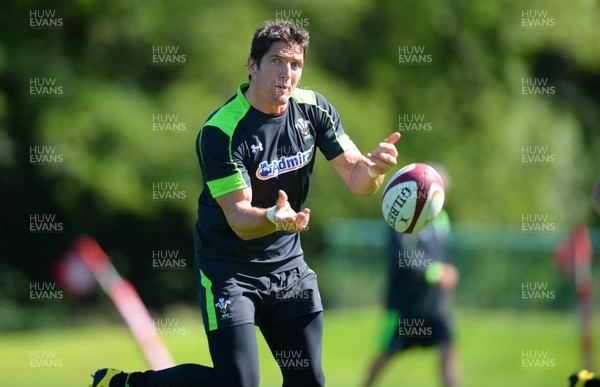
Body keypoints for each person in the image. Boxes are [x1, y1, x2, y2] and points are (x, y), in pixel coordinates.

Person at [91, 20, 400, 387]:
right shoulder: (221, 131)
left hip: (288, 268)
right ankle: (125, 384)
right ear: (252, 65)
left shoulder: (314, 109)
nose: (286, 74)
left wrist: (376, 170)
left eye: (296, 64)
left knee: (308, 382)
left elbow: (358, 180)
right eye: (276, 61)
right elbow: (239, 217)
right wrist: (274, 216)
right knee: (237, 384)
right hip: (229, 271)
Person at [363, 201, 460, 387]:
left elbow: (441, 254)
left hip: (433, 303)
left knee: (448, 348)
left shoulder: (442, 218)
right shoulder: (401, 217)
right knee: (386, 353)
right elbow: (403, 257)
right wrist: (436, 272)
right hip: (404, 303)